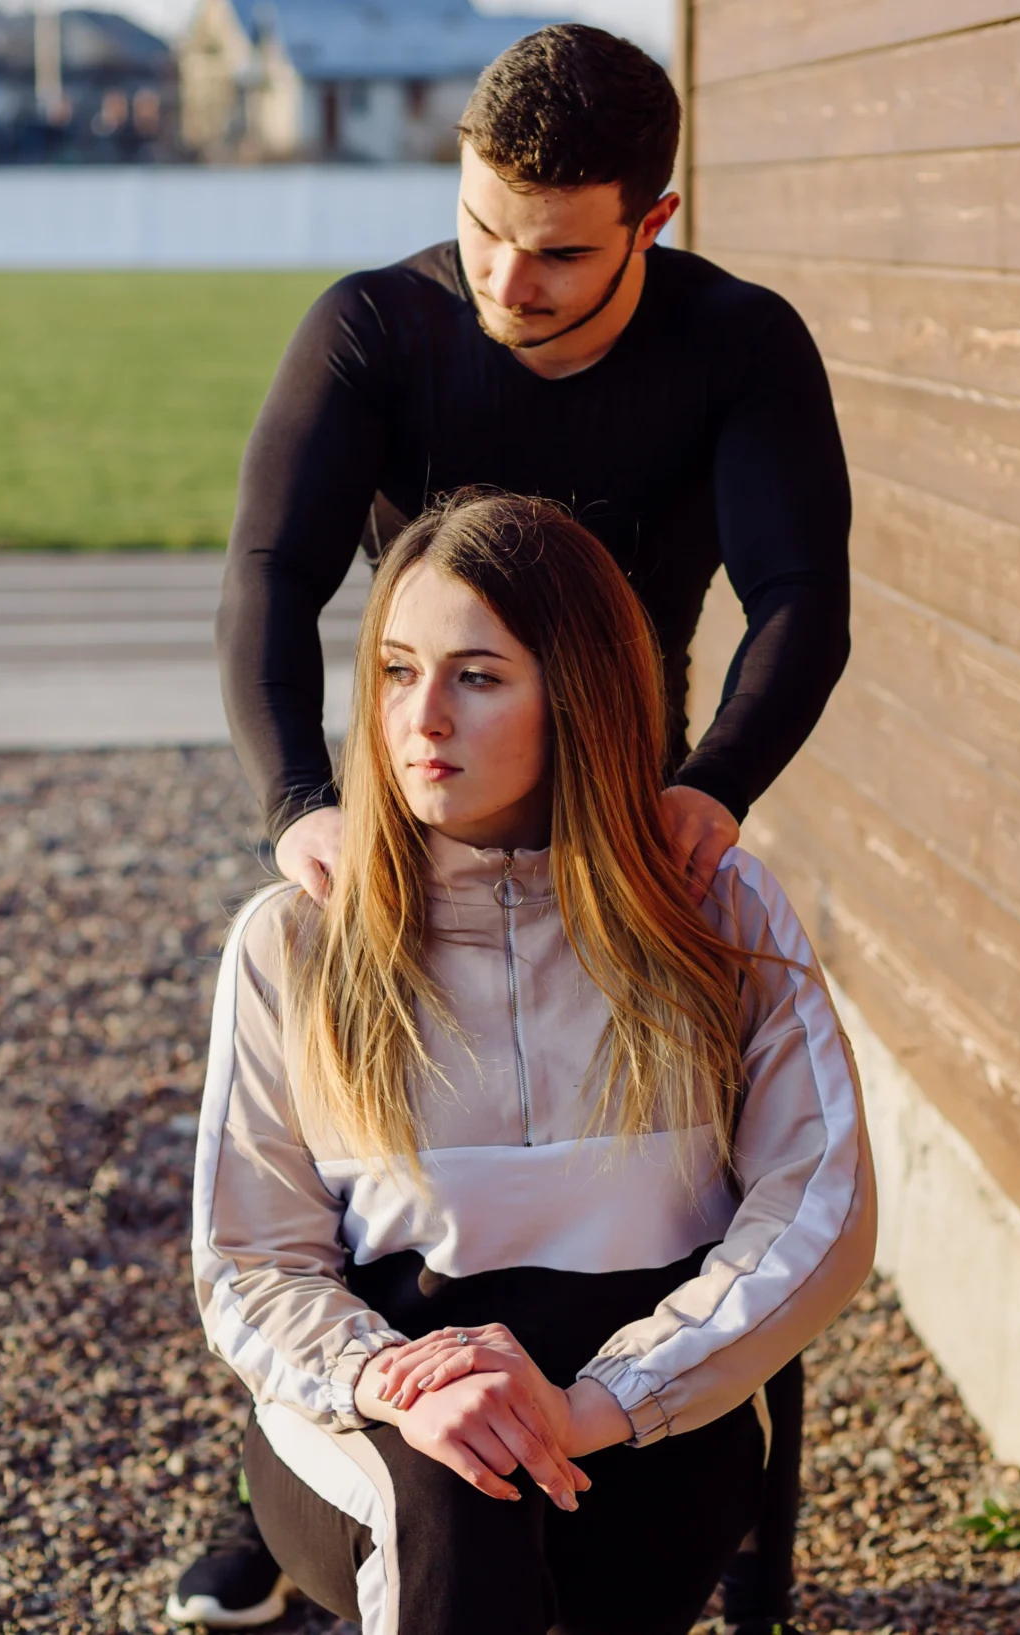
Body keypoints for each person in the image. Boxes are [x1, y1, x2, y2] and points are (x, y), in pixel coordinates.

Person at [187, 24, 852, 1631]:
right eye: (483, 226)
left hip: (626, 780)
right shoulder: (378, 328)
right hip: (415, 786)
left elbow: (800, 595)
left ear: (653, 219)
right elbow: (271, 575)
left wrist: (714, 788)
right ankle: (290, 1476)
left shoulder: (734, 344)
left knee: (668, 1160)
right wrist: (298, 807)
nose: (507, 275)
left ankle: (683, 1457)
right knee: (359, 1140)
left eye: (556, 251)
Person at [192, 494, 874, 1635]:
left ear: (580, 694)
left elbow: (819, 1204)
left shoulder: (713, 912)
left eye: (476, 676)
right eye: (397, 671)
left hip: (643, 1412)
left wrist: (594, 1404)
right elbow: (249, 1262)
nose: (422, 718)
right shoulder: (298, 938)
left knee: (559, 1517)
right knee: (457, 1496)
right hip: (385, 1418)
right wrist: (396, 1384)